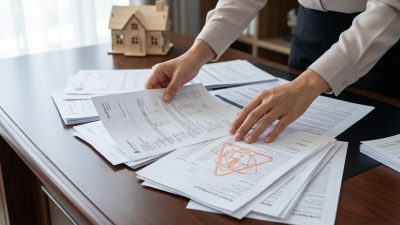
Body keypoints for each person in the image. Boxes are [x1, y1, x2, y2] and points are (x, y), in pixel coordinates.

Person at [146, 0, 400, 144]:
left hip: (376, 41)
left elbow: (390, 8)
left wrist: (306, 86)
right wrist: (196, 54)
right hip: (310, 28)